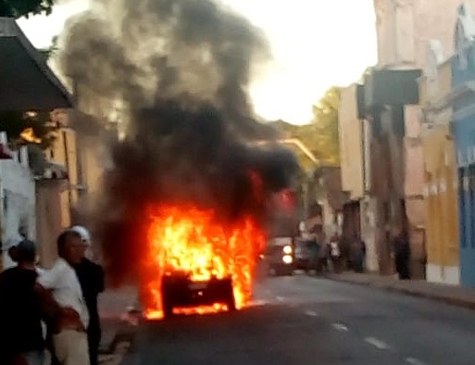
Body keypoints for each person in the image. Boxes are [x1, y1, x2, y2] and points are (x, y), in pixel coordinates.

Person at [38, 230, 90, 365]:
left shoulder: (68, 270)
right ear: (62, 249)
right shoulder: (60, 268)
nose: (79, 251)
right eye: (73, 247)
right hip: (69, 336)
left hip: (74, 335)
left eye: (80, 247)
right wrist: (59, 309)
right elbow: (38, 287)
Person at [0, 240, 45, 365]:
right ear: (34, 255)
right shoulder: (40, 279)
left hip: (11, 344)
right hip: (33, 340)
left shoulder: (5, 277)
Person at [71, 226, 105, 365]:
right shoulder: (95, 269)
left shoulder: (64, 269)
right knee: (91, 358)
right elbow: (100, 288)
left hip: (71, 324)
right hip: (90, 322)